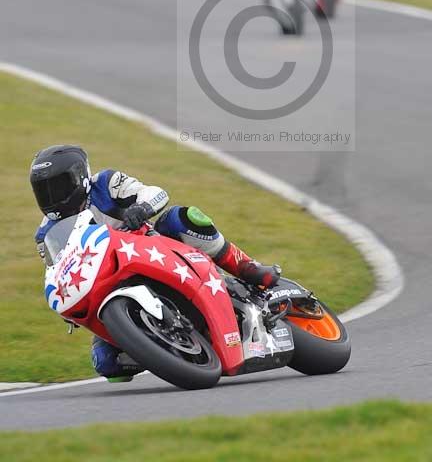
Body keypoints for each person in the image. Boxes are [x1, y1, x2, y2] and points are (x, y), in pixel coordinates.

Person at [31, 144, 281, 383]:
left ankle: (247, 267)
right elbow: (58, 271)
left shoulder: (106, 183)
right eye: (43, 190)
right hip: (107, 286)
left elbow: (156, 193)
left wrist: (142, 207)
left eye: (58, 186)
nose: (52, 196)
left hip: (152, 249)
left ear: (80, 178)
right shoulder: (45, 235)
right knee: (106, 364)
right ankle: (167, 347)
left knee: (183, 218)